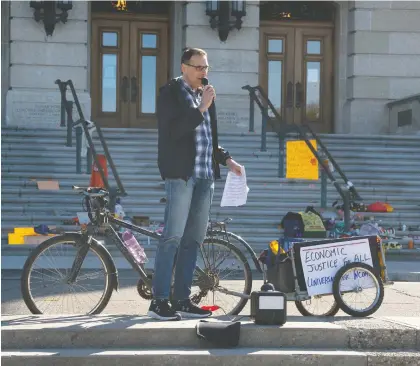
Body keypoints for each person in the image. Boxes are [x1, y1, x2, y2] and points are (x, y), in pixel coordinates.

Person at [148, 48, 242, 320]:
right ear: (184, 67)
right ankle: (159, 301)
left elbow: (209, 139)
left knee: (193, 240)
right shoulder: (170, 94)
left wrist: (227, 160)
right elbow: (174, 131)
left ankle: (181, 300)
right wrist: (201, 108)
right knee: (172, 237)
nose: (204, 72)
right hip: (181, 174)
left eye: (206, 67)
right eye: (199, 67)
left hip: (205, 176)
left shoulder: (206, 95)